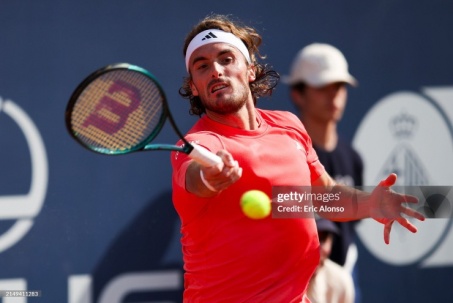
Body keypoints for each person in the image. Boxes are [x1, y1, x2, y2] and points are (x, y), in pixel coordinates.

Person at [171, 14, 424, 302]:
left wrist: (371, 202)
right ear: (193, 86)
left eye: (226, 59)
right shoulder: (196, 144)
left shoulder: (289, 125)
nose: (215, 71)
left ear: (250, 70)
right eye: (202, 66)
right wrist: (209, 177)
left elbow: (324, 195)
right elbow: (193, 177)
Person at [283, 43, 363, 301]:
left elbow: (353, 221)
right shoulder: (285, 156)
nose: (333, 97)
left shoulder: (353, 158)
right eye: (322, 88)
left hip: (343, 279)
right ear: (298, 94)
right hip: (296, 283)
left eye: (339, 87)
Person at [307, 218, 355, 303]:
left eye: (323, 239)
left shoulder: (341, 282)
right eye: (312, 237)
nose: (317, 248)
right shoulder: (281, 277)